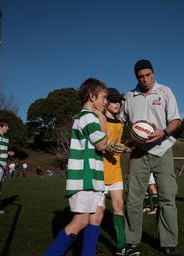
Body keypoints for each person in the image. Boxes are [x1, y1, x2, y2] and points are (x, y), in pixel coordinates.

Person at [120, 59, 182, 256]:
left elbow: (176, 120)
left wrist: (163, 132)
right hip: (139, 153)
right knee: (134, 199)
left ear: (153, 73)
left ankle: (168, 243)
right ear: (136, 77)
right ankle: (131, 242)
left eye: (148, 75)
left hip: (162, 150)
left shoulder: (165, 92)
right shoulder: (129, 97)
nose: (144, 79)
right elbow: (118, 120)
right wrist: (126, 141)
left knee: (167, 198)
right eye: (140, 76)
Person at [45, 78, 108, 256]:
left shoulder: (86, 116)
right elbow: (102, 144)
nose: (105, 102)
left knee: (97, 214)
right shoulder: (88, 117)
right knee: (80, 221)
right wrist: (103, 119)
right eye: (103, 97)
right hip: (84, 179)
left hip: (93, 179)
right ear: (92, 96)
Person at [97, 87, 131, 255]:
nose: (118, 104)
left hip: (115, 169)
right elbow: (102, 146)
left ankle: (121, 247)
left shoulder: (120, 124)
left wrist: (124, 147)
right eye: (114, 101)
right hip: (99, 170)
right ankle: (91, 244)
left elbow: (117, 146)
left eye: (119, 101)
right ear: (106, 102)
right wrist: (121, 148)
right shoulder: (99, 119)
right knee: (99, 211)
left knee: (119, 206)